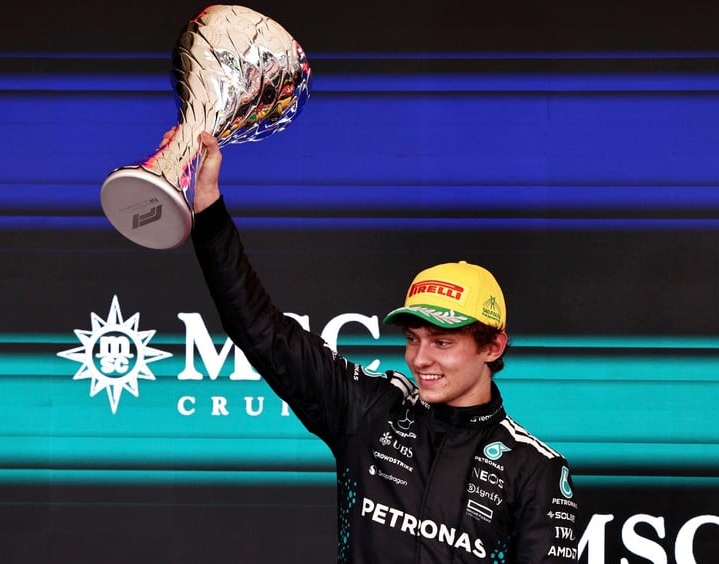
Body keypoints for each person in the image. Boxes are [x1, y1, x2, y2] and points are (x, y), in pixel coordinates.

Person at [187, 130, 580, 563]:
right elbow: (259, 330)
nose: (420, 358)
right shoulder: (370, 410)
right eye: (413, 340)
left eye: (443, 342)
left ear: (492, 346)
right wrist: (208, 205)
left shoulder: (533, 470)